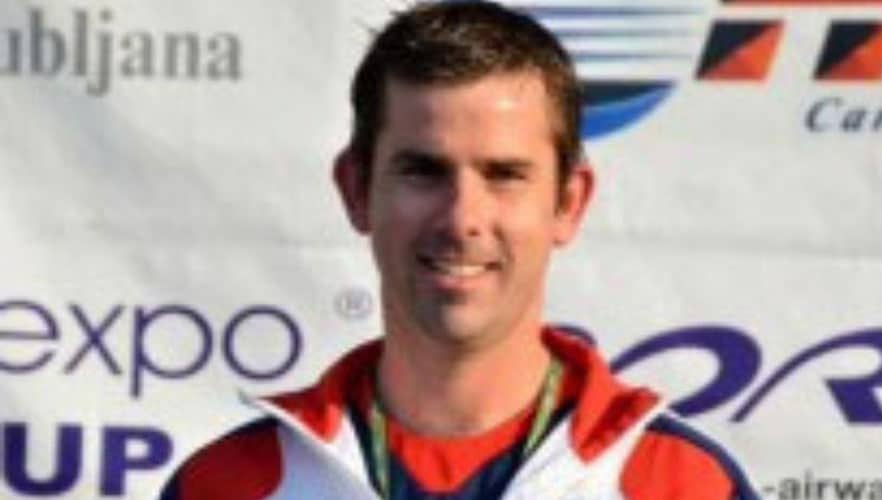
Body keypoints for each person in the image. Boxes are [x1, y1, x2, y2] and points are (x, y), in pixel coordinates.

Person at [161, 2, 758, 498]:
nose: (462, 219)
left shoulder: (683, 484)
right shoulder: (226, 486)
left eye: (504, 174)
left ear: (569, 202)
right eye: (423, 171)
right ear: (356, 190)